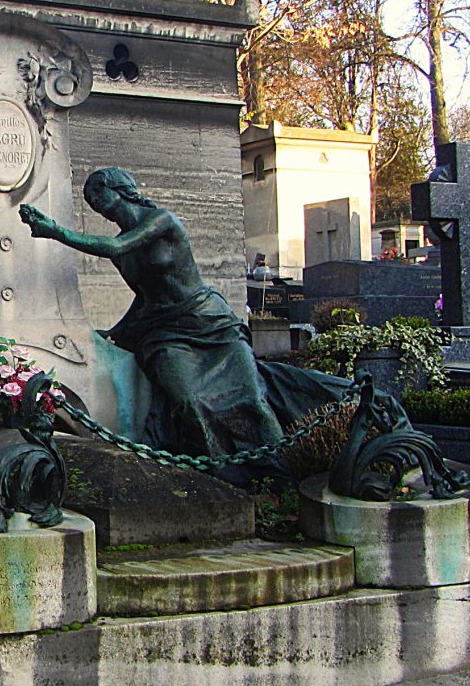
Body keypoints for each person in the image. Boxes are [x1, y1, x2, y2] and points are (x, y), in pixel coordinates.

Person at [20, 167, 285, 480]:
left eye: (98, 193)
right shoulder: (123, 250)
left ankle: (277, 477)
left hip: (208, 322)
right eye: (89, 199)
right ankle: (220, 478)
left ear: (120, 189)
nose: (95, 203)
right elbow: (144, 297)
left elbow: (115, 247)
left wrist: (56, 231)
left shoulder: (160, 221)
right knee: (188, 402)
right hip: (163, 334)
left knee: (252, 398)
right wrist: (115, 334)